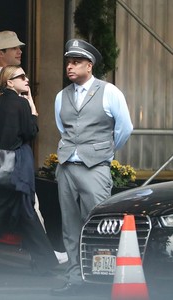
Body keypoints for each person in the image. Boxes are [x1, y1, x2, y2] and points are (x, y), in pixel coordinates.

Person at [0, 30, 67, 270]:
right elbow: (24, 128)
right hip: (3, 152)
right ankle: (41, 253)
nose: (20, 51)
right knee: (20, 202)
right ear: (1, 53)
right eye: (14, 48)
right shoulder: (3, 80)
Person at [51, 39, 133, 296]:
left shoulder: (109, 92)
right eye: (68, 62)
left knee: (99, 223)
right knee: (70, 226)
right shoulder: (61, 96)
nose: (70, 66)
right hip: (66, 167)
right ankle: (75, 277)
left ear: (89, 65)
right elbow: (63, 128)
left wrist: (102, 152)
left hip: (94, 167)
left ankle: (102, 279)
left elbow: (124, 128)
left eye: (76, 62)